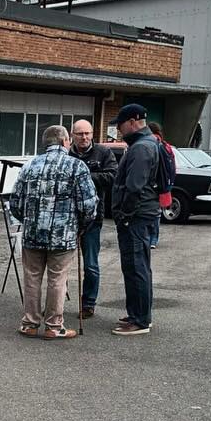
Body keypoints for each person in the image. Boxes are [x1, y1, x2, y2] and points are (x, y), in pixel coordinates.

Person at [7, 123, 97, 340]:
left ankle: (29, 323)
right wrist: (81, 226)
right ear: (66, 141)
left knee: (32, 278)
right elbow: (88, 204)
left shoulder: (30, 166)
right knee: (57, 279)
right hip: (62, 235)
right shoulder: (76, 166)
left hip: (33, 233)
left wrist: (29, 220)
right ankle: (53, 326)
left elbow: (15, 202)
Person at [110, 101, 163, 336]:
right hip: (141, 214)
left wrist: (124, 215)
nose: (118, 130)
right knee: (137, 266)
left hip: (136, 216)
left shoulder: (142, 147)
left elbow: (134, 186)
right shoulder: (147, 143)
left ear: (132, 122)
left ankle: (140, 320)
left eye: (120, 125)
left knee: (136, 267)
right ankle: (138, 314)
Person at [67, 119, 115, 319]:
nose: (84, 137)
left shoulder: (103, 153)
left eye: (87, 133)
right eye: (80, 134)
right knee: (59, 264)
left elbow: (112, 176)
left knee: (90, 265)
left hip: (93, 217)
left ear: (92, 134)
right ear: (72, 135)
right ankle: (56, 302)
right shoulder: (66, 154)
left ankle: (88, 304)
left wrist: (84, 176)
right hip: (67, 217)